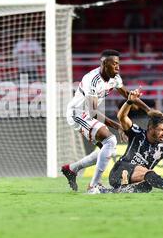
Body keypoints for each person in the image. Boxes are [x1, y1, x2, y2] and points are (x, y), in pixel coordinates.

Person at [61, 49, 151, 193]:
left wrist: (148, 110)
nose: (118, 67)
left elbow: (128, 95)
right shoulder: (92, 79)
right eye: (114, 64)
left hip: (88, 114)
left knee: (108, 149)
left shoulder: (115, 78)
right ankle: (93, 185)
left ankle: (72, 169)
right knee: (110, 141)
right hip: (78, 113)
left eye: (118, 64)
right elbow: (93, 112)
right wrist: (119, 126)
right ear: (104, 63)